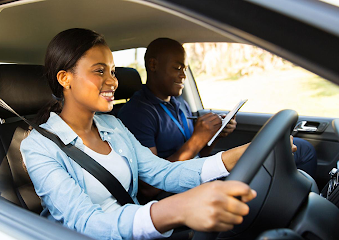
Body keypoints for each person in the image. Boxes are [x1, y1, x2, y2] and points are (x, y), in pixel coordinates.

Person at [20, 28, 256, 240]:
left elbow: (162, 172)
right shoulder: (39, 146)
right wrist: (176, 210)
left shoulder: (113, 126)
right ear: (65, 78)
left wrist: (237, 156)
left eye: (112, 71)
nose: (112, 81)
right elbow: (85, 223)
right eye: (99, 71)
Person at [118, 38, 317, 202]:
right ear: (153, 65)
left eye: (185, 68)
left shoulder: (179, 104)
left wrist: (215, 136)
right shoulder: (137, 113)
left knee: (301, 148)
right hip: (173, 191)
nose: (183, 75)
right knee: (294, 157)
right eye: (177, 67)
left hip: (199, 172)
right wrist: (197, 139)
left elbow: (199, 156)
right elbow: (149, 187)